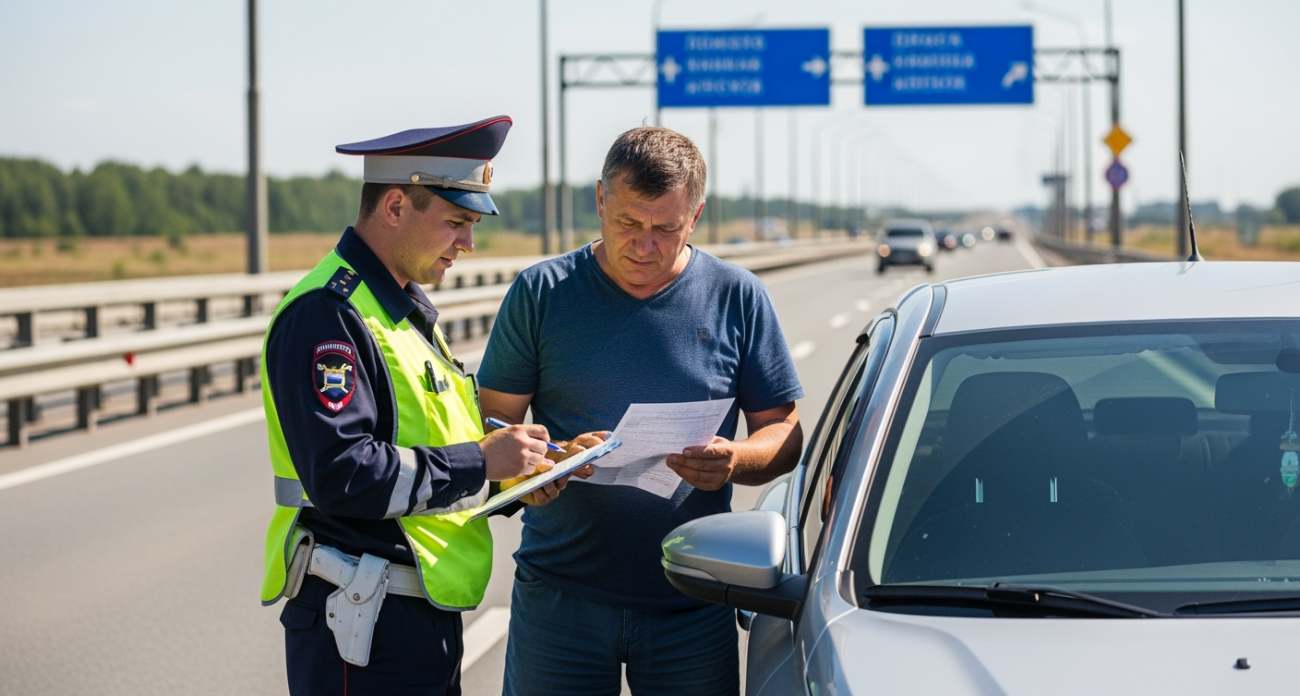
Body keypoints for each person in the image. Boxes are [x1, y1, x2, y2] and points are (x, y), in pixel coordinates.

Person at [478, 126, 806, 696]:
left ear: (696, 216)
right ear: (600, 200)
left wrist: (735, 459)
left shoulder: (738, 296)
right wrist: (546, 464)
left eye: (666, 229)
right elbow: (487, 430)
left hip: (694, 599)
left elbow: (783, 432)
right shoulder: (540, 294)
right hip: (559, 603)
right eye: (629, 222)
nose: (644, 244)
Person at [258, 115, 570, 696]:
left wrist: (521, 472)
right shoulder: (329, 314)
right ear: (395, 206)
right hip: (362, 621)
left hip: (408, 614)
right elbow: (344, 474)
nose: (468, 243)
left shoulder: (399, 311)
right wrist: (484, 462)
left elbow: (428, 451)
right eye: (456, 222)